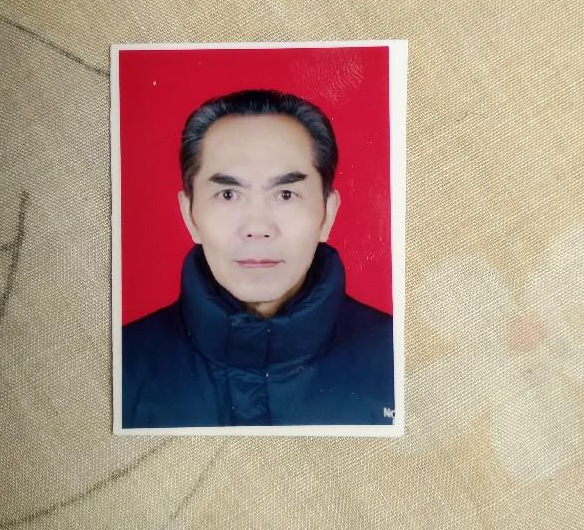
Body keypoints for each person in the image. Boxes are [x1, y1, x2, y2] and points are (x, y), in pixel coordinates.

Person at [122, 89, 395, 427]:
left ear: (328, 214)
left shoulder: (399, 356)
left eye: (285, 194)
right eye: (228, 194)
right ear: (189, 215)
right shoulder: (122, 363)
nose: (257, 228)